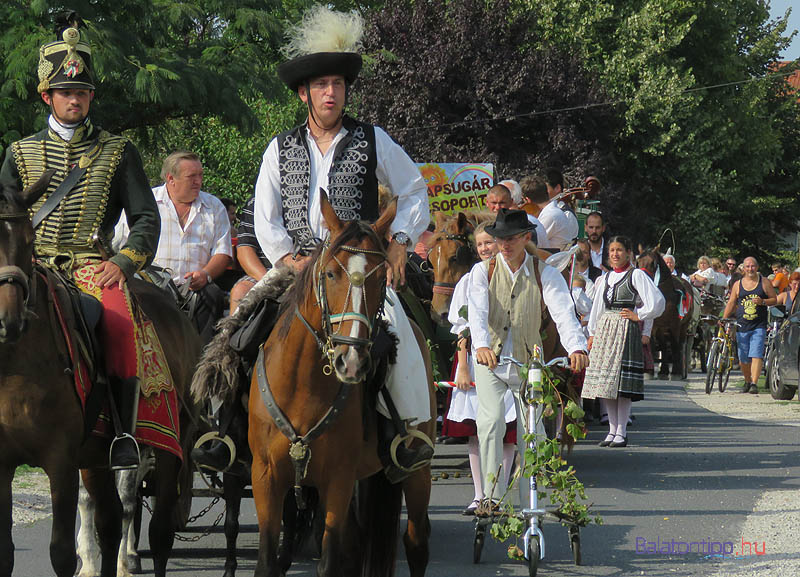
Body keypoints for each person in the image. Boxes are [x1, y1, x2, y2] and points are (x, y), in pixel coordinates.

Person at [251, 6, 433, 479]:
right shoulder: (279, 147)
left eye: (337, 84)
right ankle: (224, 429)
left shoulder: (372, 138)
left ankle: (407, 433)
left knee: (402, 337)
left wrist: (401, 242)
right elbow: (265, 216)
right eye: (321, 85)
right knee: (239, 325)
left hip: (355, 268)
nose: (331, 92)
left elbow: (414, 189)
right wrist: (286, 258)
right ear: (303, 93)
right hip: (295, 268)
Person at [0, 16, 166, 470]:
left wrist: (125, 262)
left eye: (83, 93)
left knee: (117, 321)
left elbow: (145, 219)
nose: (75, 100)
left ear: (91, 96)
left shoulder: (117, 151)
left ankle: (123, 432)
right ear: (46, 96)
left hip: (93, 265)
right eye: (66, 93)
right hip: (30, 265)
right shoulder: (18, 153)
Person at [468, 209, 588, 506]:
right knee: (492, 422)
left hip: (529, 363)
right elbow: (477, 313)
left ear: (525, 238)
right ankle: (492, 498)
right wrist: (481, 345)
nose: (504, 245)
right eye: (499, 239)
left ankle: (528, 501)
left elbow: (563, 313)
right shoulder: (482, 272)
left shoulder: (543, 272)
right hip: (491, 360)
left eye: (510, 239)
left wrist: (576, 347)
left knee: (531, 432)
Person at [116, 151, 232, 344]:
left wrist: (205, 275)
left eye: (200, 175)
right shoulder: (146, 202)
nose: (198, 181)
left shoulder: (214, 206)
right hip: (149, 285)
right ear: (171, 179)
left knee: (213, 294)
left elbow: (223, 252)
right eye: (191, 176)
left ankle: (202, 363)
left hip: (195, 289)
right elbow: (121, 245)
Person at [440, 222, 516, 515]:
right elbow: (461, 328)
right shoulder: (469, 280)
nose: (485, 248)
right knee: (476, 431)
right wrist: (462, 367)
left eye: (490, 243)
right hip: (477, 361)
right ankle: (479, 493)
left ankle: (499, 493)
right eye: (480, 244)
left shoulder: (514, 277)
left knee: (507, 431)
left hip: (509, 357)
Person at [581, 236, 665, 448]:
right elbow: (598, 308)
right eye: (611, 251)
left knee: (621, 383)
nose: (615, 254)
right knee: (606, 382)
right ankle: (611, 430)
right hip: (605, 330)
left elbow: (657, 301)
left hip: (624, 330)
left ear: (628, 253)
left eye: (619, 250)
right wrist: (592, 333)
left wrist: (640, 315)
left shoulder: (635, 275)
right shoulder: (606, 278)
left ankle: (621, 431)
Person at [722, 256, 777, 394]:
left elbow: (774, 300)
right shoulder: (738, 285)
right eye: (747, 266)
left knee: (756, 354)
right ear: (743, 269)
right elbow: (731, 302)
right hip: (742, 325)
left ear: (757, 268)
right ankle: (747, 381)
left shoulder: (764, 282)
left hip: (759, 324)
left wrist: (763, 302)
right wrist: (724, 318)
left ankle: (754, 383)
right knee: (743, 358)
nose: (750, 269)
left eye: (752, 266)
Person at [520, 174, 576, 251]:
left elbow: (532, 242)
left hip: (553, 261)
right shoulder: (552, 212)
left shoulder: (550, 215)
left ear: (527, 200)